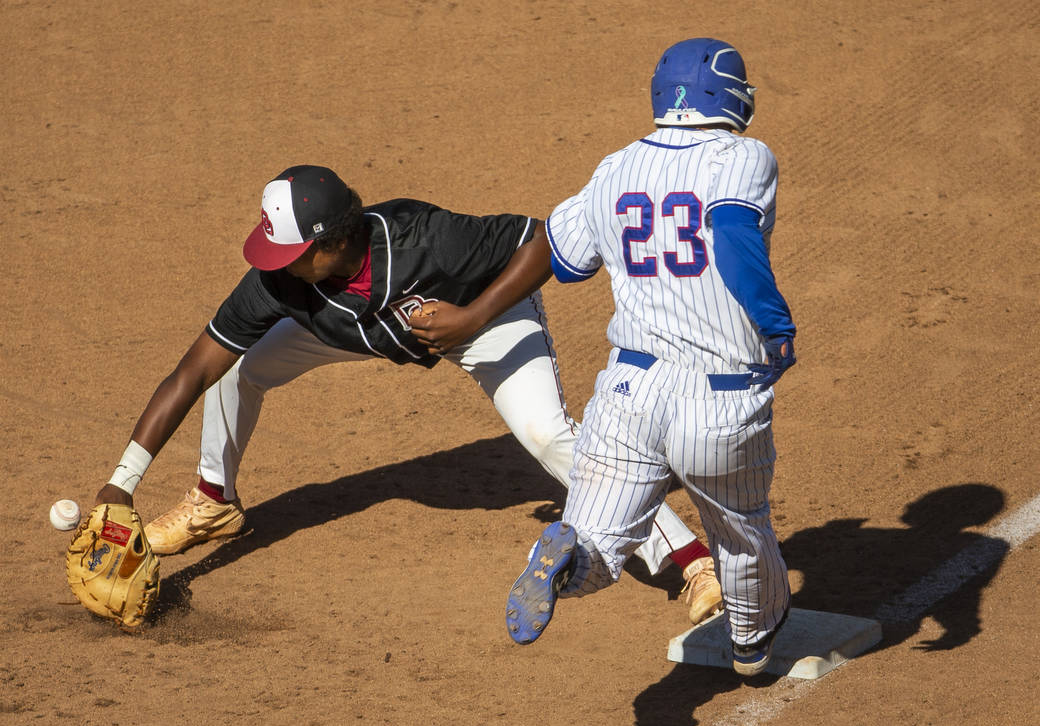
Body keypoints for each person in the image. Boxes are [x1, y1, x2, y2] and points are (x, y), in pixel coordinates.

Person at [93, 164, 724, 624]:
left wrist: (472, 317)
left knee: (545, 434)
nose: (274, 264)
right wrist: (121, 484)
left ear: (333, 243)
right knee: (235, 364)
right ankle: (213, 499)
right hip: (359, 330)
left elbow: (541, 241)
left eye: (289, 252)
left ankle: (691, 560)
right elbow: (190, 372)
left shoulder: (427, 237)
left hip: (484, 319)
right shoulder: (279, 284)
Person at [505, 38, 795, 676]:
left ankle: (566, 564)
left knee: (602, 540)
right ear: (730, 93)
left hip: (628, 393)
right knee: (738, 525)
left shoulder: (616, 167)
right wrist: (776, 328)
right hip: (718, 399)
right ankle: (750, 639)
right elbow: (737, 238)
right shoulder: (743, 156)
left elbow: (564, 260)